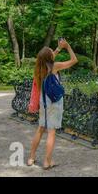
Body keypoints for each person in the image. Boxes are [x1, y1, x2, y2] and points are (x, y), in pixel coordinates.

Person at [27, 38, 78, 170]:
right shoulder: (55, 66)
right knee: (51, 132)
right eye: (51, 51)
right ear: (49, 57)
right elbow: (74, 60)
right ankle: (47, 162)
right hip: (54, 101)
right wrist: (67, 46)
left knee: (40, 128)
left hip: (43, 101)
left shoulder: (39, 67)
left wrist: (58, 49)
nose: (53, 52)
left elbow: (48, 57)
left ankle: (31, 158)